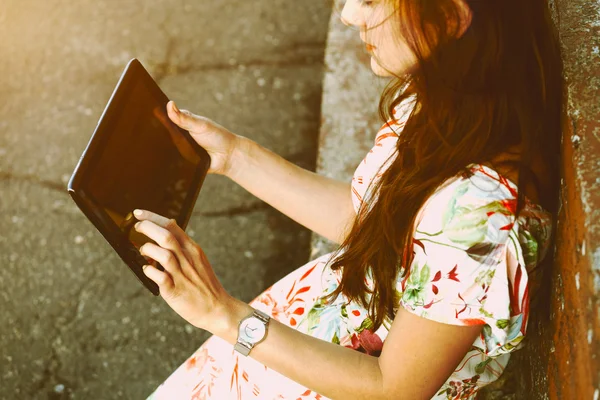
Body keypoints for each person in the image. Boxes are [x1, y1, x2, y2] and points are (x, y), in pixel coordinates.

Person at [136, 0, 563, 398]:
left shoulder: (482, 214)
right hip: (299, 338)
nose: (349, 14)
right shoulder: (454, 99)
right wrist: (234, 156)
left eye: (374, 0)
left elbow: (392, 386)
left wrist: (222, 313)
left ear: (451, 17)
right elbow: (370, 224)